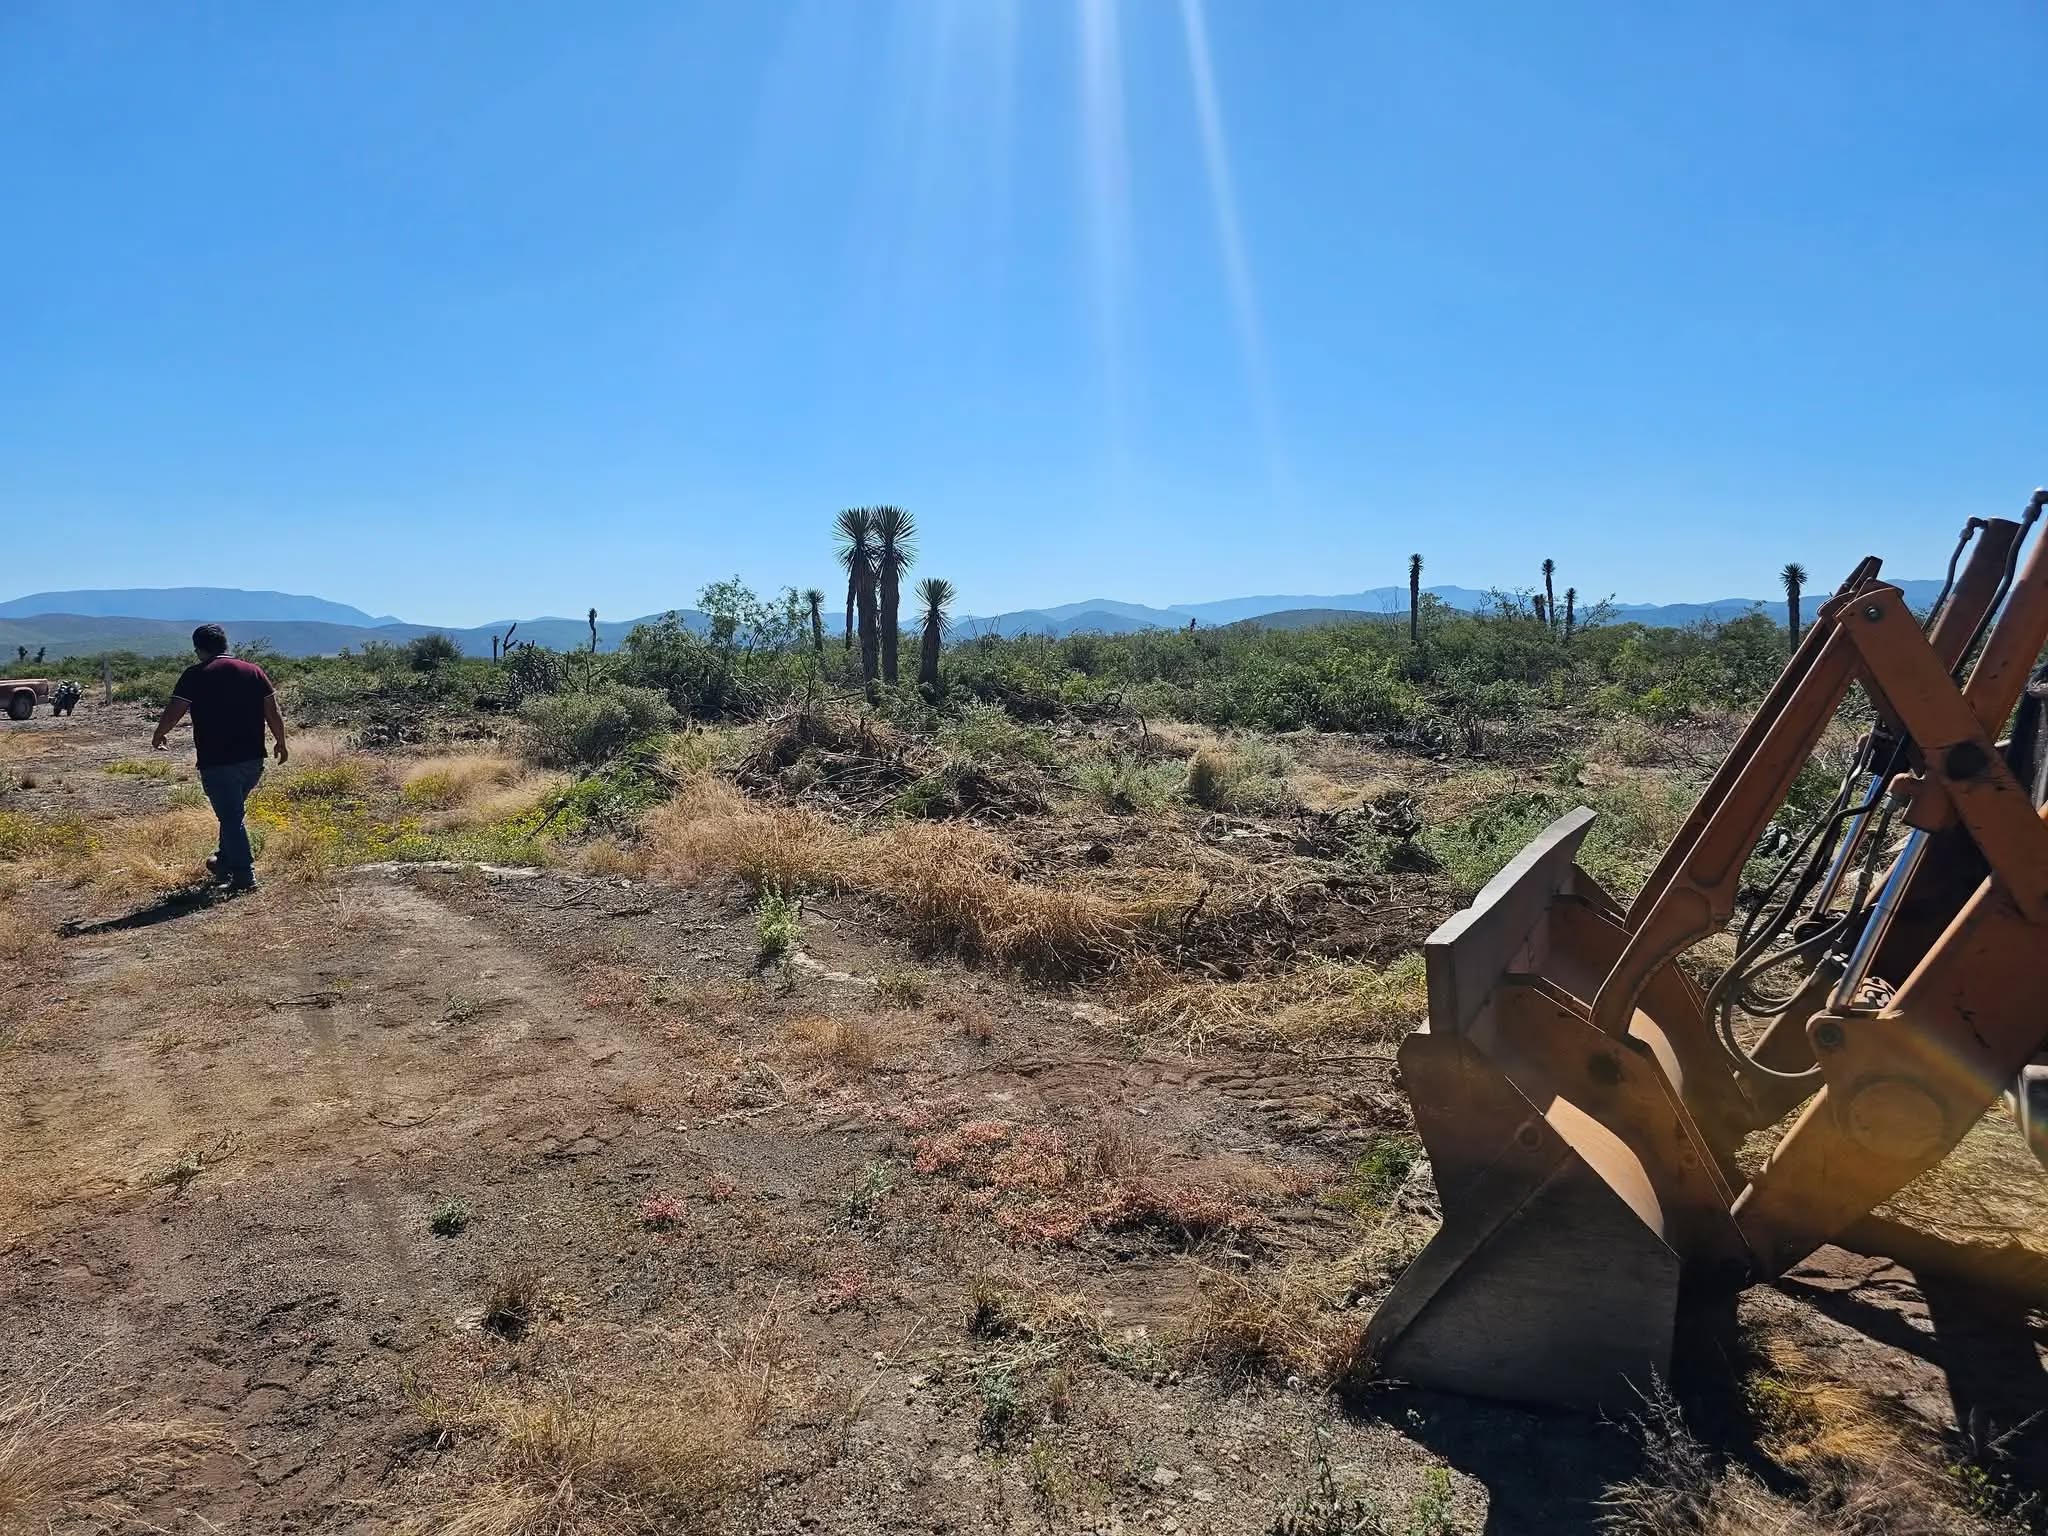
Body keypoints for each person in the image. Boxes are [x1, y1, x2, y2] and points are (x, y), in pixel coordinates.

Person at [151, 624, 288, 891]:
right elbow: (273, 711)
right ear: (225, 645)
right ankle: (224, 859)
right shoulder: (254, 671)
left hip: (218, 760)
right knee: (232, 812)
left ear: (198, 649)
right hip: (252, 759)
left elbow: (175, 709)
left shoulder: (196, 674)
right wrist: (281, 742)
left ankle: (244, 876)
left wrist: (159, 733)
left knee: (230, 816)